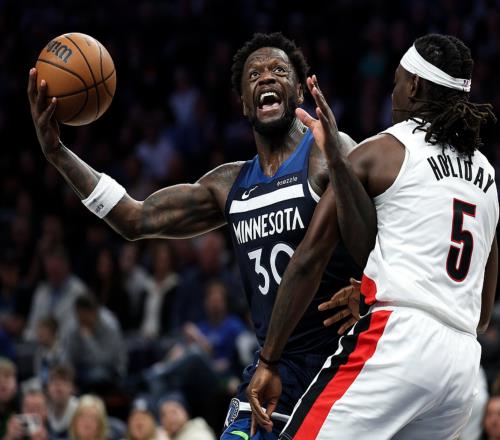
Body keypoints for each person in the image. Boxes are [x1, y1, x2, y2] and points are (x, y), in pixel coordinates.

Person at [27, 32, 361, 439]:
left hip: (337, 356)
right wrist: (57, 154)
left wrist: (371, 286)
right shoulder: (229, 184)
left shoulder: (327, 152)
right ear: (244, 103)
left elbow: (382, 224)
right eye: (254, 74)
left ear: (298, 92)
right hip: (273, 366)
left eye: (279, 70)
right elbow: (135, 218)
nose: (266, 77)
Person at [247, 34, 498, 439]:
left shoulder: (384, 151)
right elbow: (483, 314)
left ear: (414, 86)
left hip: (399, 344)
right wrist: (374, 287)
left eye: (396, 80)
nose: (391, 91)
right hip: (462, 367)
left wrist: (268, 360)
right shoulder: (486, 176)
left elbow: (309, 258)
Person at [46, 364, 79, 439]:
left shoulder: (79, 409)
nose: (57, 385)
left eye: (63, 381)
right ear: (48, 387)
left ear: (72, 387)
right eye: (53, 381)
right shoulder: (45, 409)